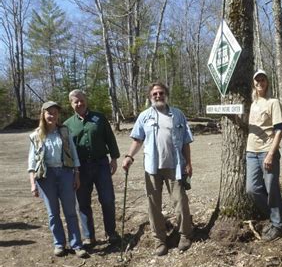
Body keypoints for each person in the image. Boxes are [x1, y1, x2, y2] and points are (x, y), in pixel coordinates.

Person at [122, 82, 193, 256]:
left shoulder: (178, 115)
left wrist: (188, 163)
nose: (158, 96)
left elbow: (185, 141)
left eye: (161, 93)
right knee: (153, 205)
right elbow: (137, 140)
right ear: (150, 97)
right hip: (152, 167)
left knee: (181, 201)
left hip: (175, 166)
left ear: (166, 94)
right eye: (155, 94)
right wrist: (129, 157)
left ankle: (184, 235)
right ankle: (159, 240)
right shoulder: (144, 116)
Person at [28, 101, 87, 258]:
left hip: (66, 174)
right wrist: (33, 183)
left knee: (70, 211)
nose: (52, 115)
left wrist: (77, 174)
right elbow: (32, 162)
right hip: (46, 177)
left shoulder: (64, 131)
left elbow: (73, 154)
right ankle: (59, 244)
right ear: (43, 114)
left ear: (58, 115)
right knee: (53, 213)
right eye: (49, 112)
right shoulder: (36, 135)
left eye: (55, 112)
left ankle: (76, 244)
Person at [64, 90, 121, 247]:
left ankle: (111, 233)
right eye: (76, 101)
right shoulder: (68, 125)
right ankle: (89, 236)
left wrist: (114, 159)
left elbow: (110, 138)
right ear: (71, 104)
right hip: (80, 169)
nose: (79, 103)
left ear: (86, 100)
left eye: (82, 100)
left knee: (107, 200)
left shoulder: (99, 118)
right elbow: (67, 151)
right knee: (83, 203)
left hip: (101, 165)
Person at [246, 69, 282, 241]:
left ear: (267, 82)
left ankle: (277, 224)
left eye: (263, 80)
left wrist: (271, 154)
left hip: (267, 151)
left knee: (272, 189)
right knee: (252, 189)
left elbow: (279, 130)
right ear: (253, 83)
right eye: (257, 80)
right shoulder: (252, 104)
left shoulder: (273, 102)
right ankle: (273, 214)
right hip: (251, 152)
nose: (260, 82)